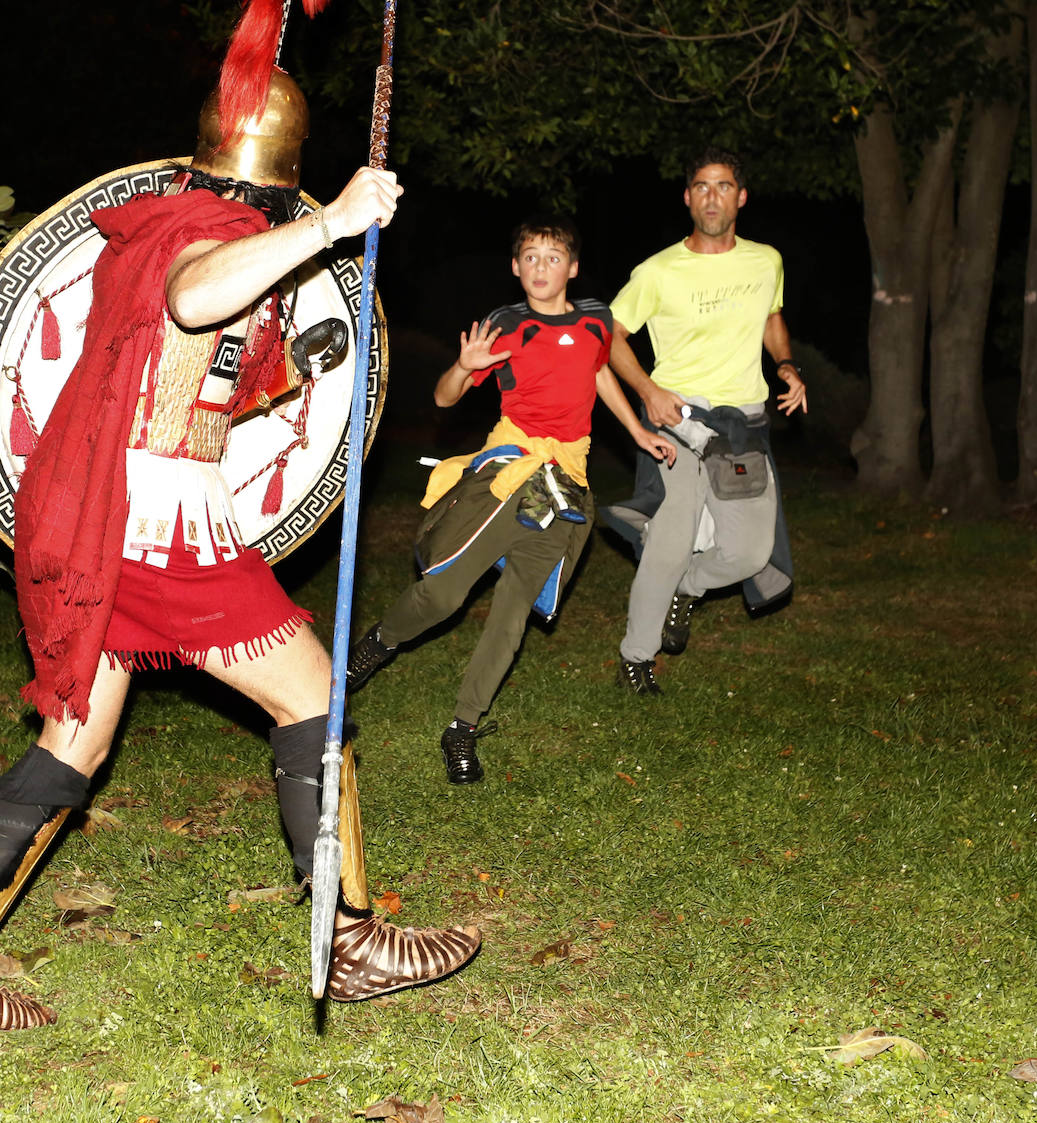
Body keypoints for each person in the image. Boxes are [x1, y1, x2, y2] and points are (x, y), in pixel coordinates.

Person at [0, 0, 479, 1037]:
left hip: (114, 510)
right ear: (274, 179)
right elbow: (193, 298)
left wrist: (293, 375)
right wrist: (335, 225)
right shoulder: (191, 236)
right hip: (158, 524)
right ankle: (353, 935)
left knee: (76, 737)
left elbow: (193, 366)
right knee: (311, 689)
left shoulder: (179, 216)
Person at [344, 217, 675, 784]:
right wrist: (464, 367)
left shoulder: (596, 320)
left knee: (513, 615)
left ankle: (463, 729)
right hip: (509, 470)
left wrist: (639, 431)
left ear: (572, 267)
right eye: (530, 256)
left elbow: (598, 375)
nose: (541, 267)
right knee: (443, 595)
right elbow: (444, 398)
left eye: (553, 257)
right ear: (515, 267)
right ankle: (378, 643)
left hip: (565, 481)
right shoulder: (504, 325)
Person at [600, 147, 807, 696]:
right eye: (701, 186)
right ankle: (636, 658)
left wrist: (786, 364)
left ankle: (684, 588)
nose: (712, 196)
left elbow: (771, 319)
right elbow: (610, 338)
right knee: (670, 537)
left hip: (744, 423)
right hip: (680, 418)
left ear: (741, 197)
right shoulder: (657, 270)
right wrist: (648, 390)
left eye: (724, 186)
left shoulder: (766, 261)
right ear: (688, 196)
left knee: (750, 552)